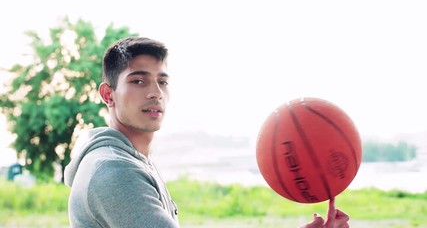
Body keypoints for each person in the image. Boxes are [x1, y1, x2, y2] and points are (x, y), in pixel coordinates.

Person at [64, 36, 350, 228]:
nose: (155, 93)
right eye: (138, 81)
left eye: (162, 82)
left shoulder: (131, 158)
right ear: (108, 94)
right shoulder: (114, 171)